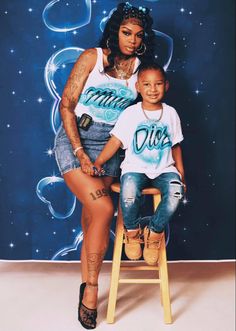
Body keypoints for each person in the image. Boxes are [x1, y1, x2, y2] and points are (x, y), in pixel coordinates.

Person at [53, 2, 155, 329]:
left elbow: (144, 116)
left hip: (110, 147)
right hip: (76, 139)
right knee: (102, 210)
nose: (132, 40)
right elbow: (67, 105)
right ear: (115, 31)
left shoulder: (141, 70)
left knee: (89, 218)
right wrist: (80, 152)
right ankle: (93, 290)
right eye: (127, 32)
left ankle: (86, 279)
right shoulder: (92, 58)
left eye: (138, 35)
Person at [94, 62, 186, 267]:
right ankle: (133, 233)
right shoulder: (130, 114)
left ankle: (154, 233)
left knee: (176, 193)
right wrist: (99, 161)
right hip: (135, 169)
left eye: (158, 84)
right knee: (128, 191)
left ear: (166, 86)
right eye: (146, 84)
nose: (152, 89)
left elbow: (176, 146)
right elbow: (116, 141)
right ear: (138, 87)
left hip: (165, 169)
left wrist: (181, 174)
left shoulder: (171, 113)